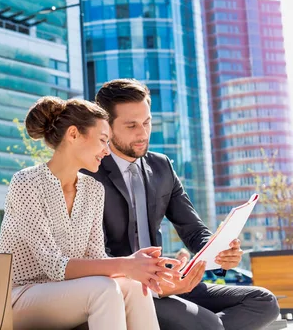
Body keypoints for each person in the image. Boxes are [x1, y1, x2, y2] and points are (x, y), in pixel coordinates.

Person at [83, 79, 280, 330]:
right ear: (106, 127)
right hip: (124, 287)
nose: (142, 133)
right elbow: (90, 254)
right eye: (131, 125)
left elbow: (193, 229)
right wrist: (145, 279)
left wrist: (220, 252)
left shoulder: (161, 166)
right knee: (207, 325)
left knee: (263, 302)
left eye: (147, 122)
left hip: (169, 283)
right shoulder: (89, 172)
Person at [0, 96, 181, 330]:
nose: (107, 151)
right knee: (103, 290)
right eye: (103, 140)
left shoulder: (94, 190)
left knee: (134, 287)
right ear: (73, 135)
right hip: (20, 296)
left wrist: (144, 269)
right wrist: (126, 265)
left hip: (71, 293)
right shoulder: (26, 183)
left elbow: (96, 258)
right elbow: (54, 266)